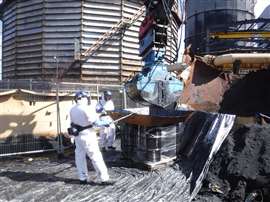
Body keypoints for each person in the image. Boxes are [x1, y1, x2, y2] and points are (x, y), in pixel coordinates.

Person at [69, 90, 114, 185]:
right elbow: (95, 122)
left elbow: (73, 123)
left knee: (80, 157)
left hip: (78, 136)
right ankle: (104, 179)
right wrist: (105, 123)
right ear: (84, 99)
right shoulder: (85, 108)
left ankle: (82, 178)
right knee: (96, 156)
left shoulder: (72, 109)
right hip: (88, 135)